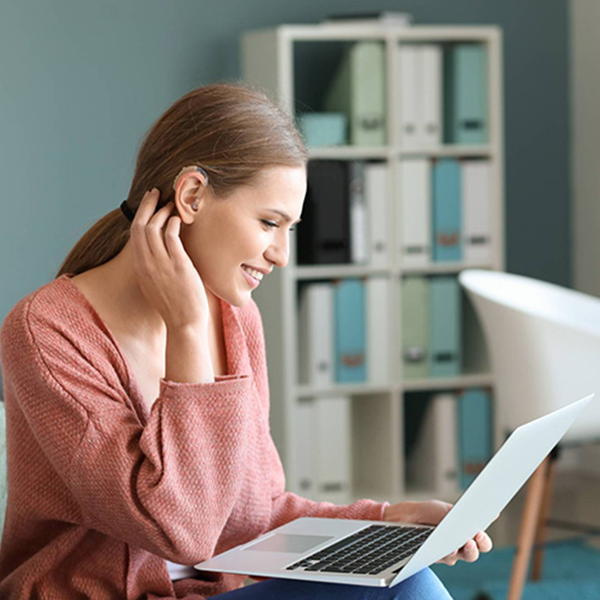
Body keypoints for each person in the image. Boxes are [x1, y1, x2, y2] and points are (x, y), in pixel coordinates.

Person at [0, 82, 491, 599]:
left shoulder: (236, 319)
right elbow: (182, 531)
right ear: (191, 196)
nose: (280, 254)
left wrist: (386, 518)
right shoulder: (46, 332)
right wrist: (187, 330)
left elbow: (250, 512)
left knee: (402, 576)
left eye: (290, 229)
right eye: (268, 222)